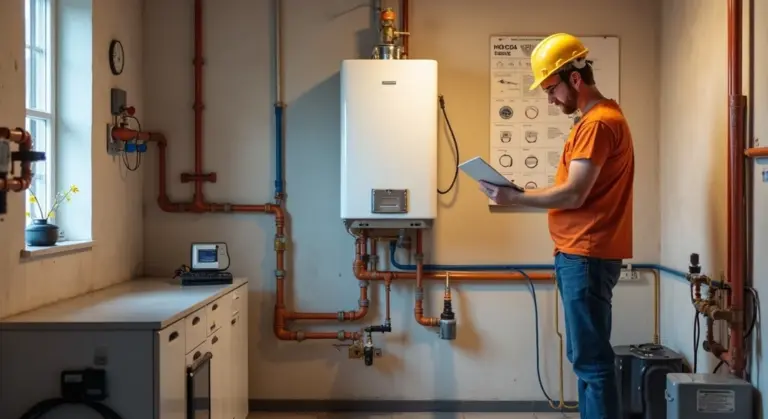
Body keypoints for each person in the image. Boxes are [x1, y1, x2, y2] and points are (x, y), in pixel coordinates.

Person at [480, 33, 634, 419]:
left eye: (551, 88)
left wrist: (513, 198)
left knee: (592, 363)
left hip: (586, 255)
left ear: (575, 78)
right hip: (582, 255)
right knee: (586, 359)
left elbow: (573, 195)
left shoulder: (598, 124)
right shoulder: (598, 120)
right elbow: (574, 191)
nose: (549, 99)